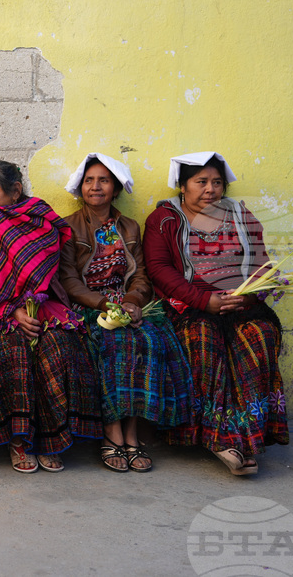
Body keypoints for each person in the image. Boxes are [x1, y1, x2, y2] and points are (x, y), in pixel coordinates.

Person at [143, 152, 288, 476]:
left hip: (239, 305)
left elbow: (260, 260)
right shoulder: (165, 219)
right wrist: (202, 300)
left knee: (259, 337)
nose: (210, 189)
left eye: (217, 182)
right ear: (183, 186)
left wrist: (247, 292)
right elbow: (158, 268)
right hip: (190, 306)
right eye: (201, 182)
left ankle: (247, 438)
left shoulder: (241, 215)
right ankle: (222, 439)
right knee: (203, 340)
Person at [0, 161, 99, 474]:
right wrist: (12, 310)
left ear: (15, 191)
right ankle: (19, 441)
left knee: (58, 345)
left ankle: (51, 438)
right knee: (13, 350)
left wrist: (30, 305)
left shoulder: (40, 216)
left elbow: (44, 269)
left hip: (43, 302)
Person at [59, 154, 193, 473]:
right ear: (80, 188)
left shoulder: (129, 227)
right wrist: (104, 305)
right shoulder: (68, 227)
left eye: (104, 180)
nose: (96, 187)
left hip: (128, 306)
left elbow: (141, 273)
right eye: (89, 180)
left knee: (148, 341)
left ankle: (131, 434)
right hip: (89, 307)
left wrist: (132, 301)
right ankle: (112, 433)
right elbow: (69, 279)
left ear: (116, 189)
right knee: (115, 345)